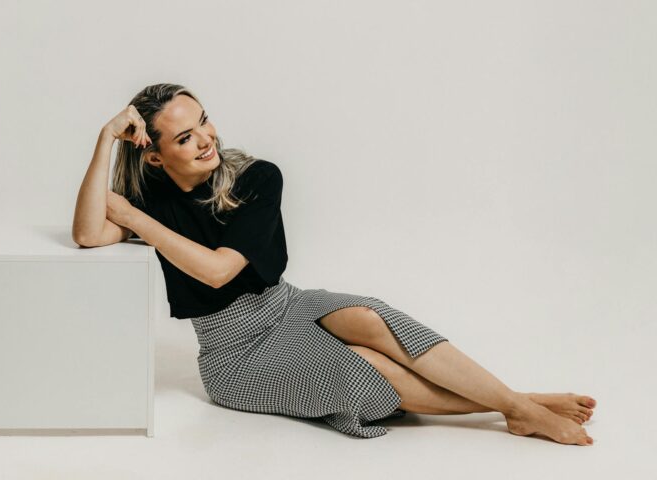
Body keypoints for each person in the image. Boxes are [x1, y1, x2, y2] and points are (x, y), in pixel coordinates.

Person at [72, 83, 596, 444]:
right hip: (235, 357)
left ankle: (516, 403)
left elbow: (217, 270)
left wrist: (134, 220)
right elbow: (88, 232)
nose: (206, 138)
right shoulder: (154, 199)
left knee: (370, 318)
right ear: (155, 155)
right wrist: (103, 138)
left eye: (203, 120)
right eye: (185, 137)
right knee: (366, 370)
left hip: (287, 305)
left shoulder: (255, 177)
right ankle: (519, 407)